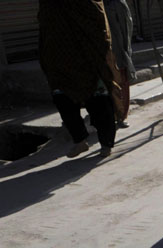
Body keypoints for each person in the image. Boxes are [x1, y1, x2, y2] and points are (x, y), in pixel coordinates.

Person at [38, 0, 124, 158]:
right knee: (62, 99)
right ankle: (79, 141)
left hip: (88, 55)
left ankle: (106, 144)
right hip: (59, 56)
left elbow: (98, 21)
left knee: (99, 100)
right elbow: (45, 25)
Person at [104, 0, 136, 129]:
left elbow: (126, 28)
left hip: (117, 51)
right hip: (102, 51)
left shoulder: (117, 3)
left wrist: (125, 52)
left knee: (121, 82)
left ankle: (121, 116)